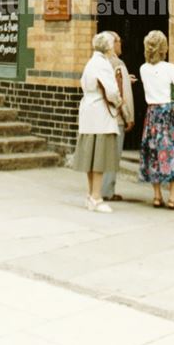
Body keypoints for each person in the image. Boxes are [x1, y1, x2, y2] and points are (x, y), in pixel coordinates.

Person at [139, 29, 174, 210]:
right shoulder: (170, 68)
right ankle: (173, 197)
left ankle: (156, 196)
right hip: (170, 114)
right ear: (164, 48)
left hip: (152, 114)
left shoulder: (143, 69)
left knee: (154, 153)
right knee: (172, 153)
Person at [71, 31, 124, 213]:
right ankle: (96, 197)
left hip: (88, 112)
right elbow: (111, 91)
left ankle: (91, 195)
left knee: (90, 156)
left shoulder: (91, 62)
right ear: (109, 47)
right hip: (100, 114)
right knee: (99, 157)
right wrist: (118, 102)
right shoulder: (103, 64)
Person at [100, 32, 136, 202]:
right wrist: (129, 117)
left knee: (101, 153)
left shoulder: (100, 62)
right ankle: (107, 191)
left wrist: (125, 79)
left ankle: (98, 189)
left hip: (100, 116)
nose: (121, 44)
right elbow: (124, 95)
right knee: (113, 156)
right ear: (113, 43)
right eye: (119, 41)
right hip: (116, 117)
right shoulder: (118, 64)